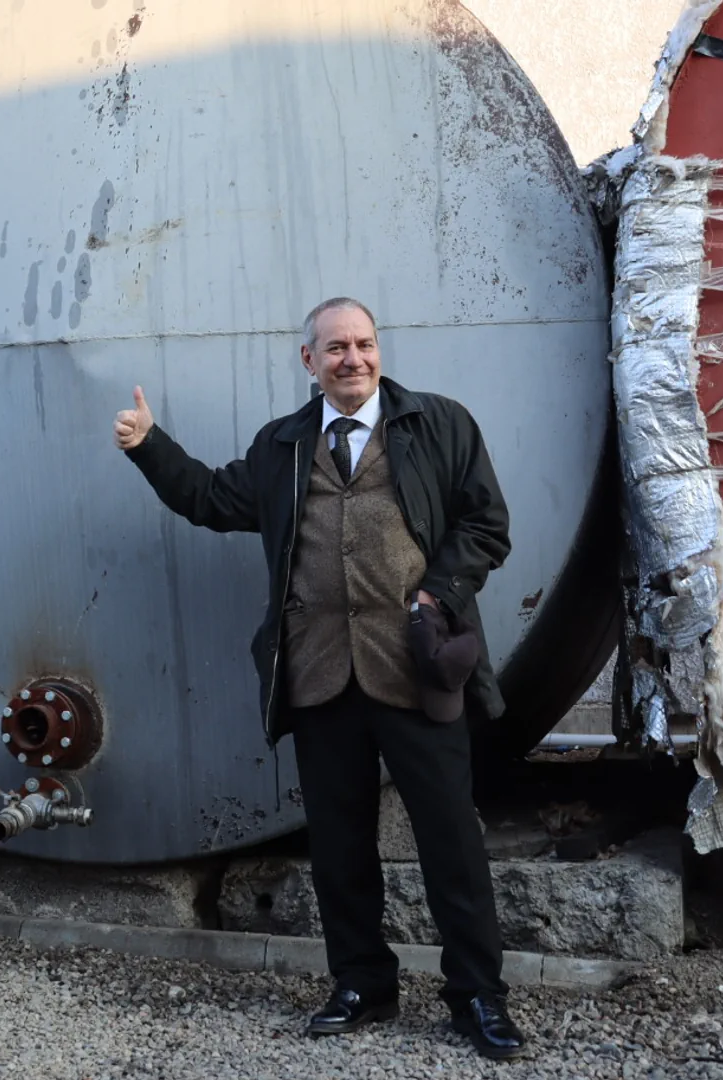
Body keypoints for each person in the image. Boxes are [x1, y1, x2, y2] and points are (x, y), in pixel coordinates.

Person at [111, 297, 526, 1061]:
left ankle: (478, 997)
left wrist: (437, 591)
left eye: (364, 344)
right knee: (339, 846)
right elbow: (212, 499)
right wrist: (149, 446)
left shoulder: (438, 424)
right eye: (335, 347)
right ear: (310, 361)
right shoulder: (283, 445)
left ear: (379, 349)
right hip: (321, 675)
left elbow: (486, 523)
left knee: (450, 845)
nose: (353, 359)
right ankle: (363, 985)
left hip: (416, 671)